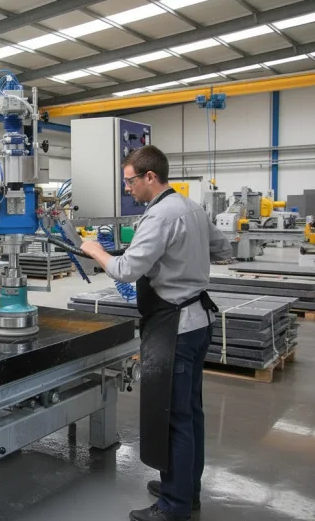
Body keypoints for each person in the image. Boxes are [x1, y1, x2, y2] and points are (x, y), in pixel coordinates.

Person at [80, 146, 232, 521]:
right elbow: (223, 248)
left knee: (173, 418)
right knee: (190, 413)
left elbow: (126, 270)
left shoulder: (160, 216)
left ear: (150, 176)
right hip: (198, 322)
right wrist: (184, 260)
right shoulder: (191, 207)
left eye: (130, 180)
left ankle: (174, 507)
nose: (127, 187)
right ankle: (185, 490)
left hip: (174, 327)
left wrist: (95, 250)